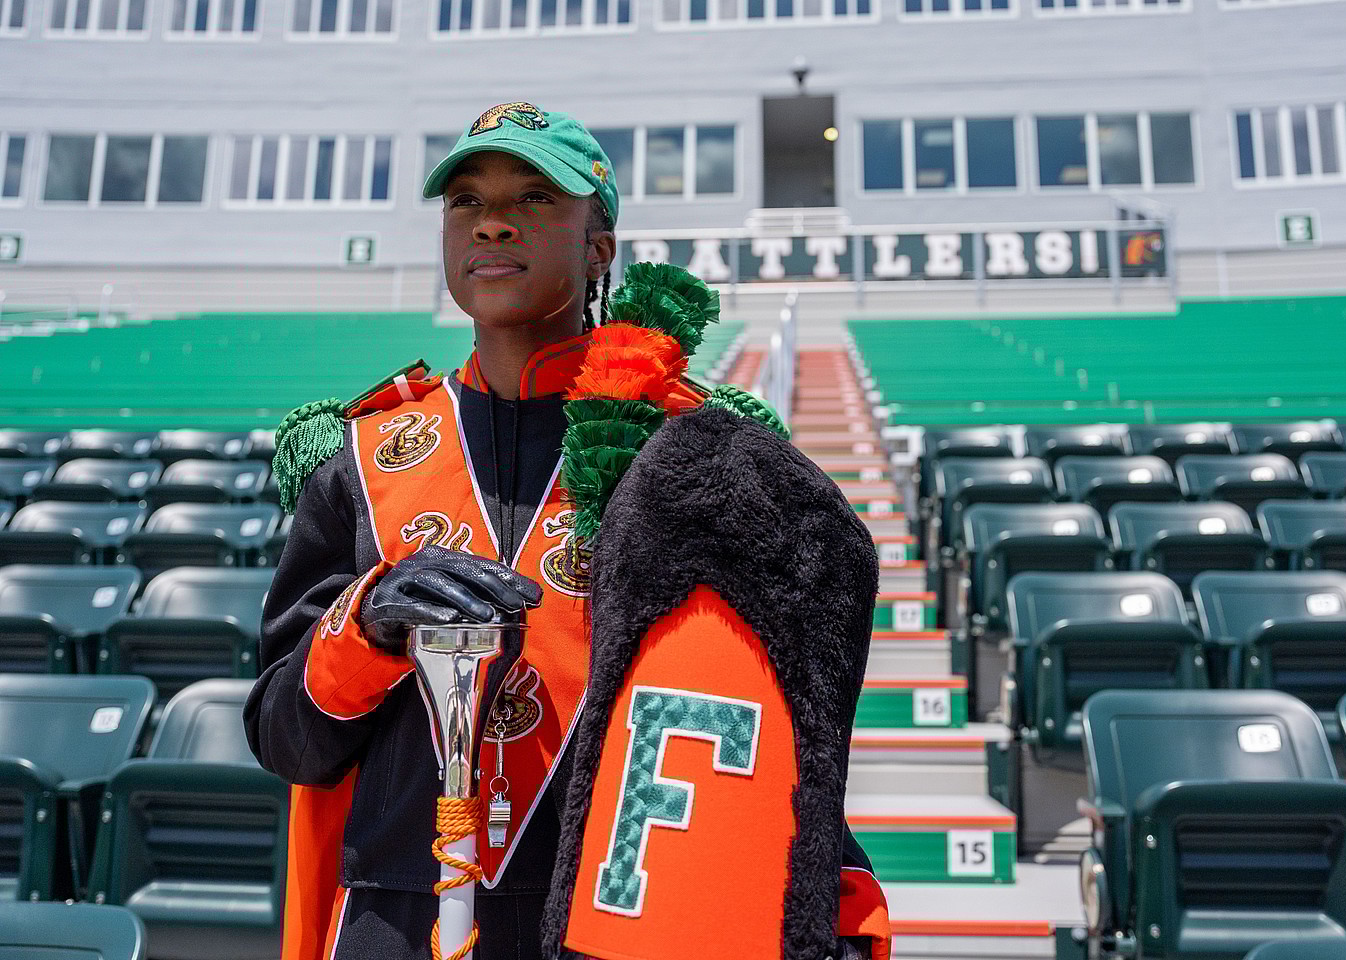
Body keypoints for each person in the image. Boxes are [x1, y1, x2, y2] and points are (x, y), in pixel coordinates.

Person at [244, 101, 889, 960]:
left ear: (599, 245)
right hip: (388, 923)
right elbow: (289, 741)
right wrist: (364, 626)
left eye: (537, 197)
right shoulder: (361, 461)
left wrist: (825, 908)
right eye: (465, 200)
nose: (494, 221)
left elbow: (762, 716)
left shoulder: (696, 456)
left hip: (611, 922)